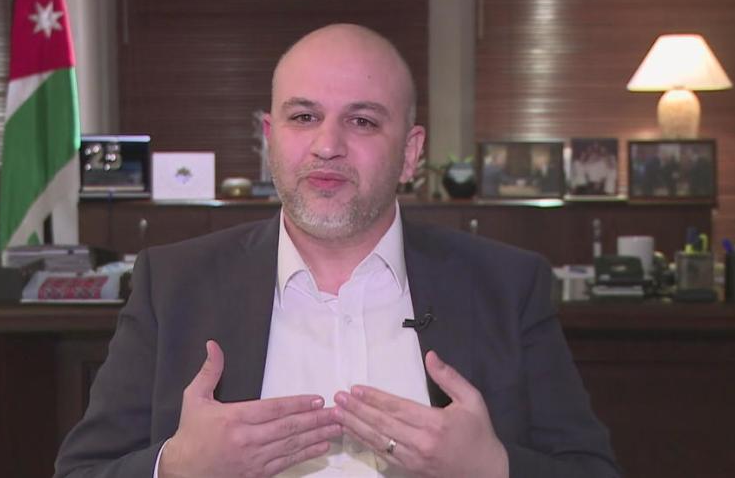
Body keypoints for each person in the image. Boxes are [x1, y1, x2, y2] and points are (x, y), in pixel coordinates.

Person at [54, 24, 620, 478]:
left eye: (362, 121)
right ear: (270, 139)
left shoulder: (507, 286)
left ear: (410, 153)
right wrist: (175, 468)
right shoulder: (174, 283)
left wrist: (494, 468)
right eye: (304, 117)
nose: (327, 145)